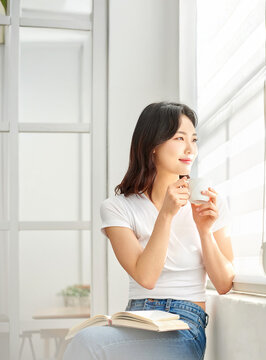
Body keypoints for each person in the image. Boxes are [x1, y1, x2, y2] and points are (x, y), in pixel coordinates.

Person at [63, 102, 235, 360]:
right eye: (179, 138)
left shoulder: (209, 203)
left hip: (185, 325)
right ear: (153, 145)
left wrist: (204, 230)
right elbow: (146, 277)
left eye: (194, 139)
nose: (190, 149)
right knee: (87, 340)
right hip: (138, 320)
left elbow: (223, 283)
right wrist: (165, 214)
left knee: (88, 342)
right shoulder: (117, 208)